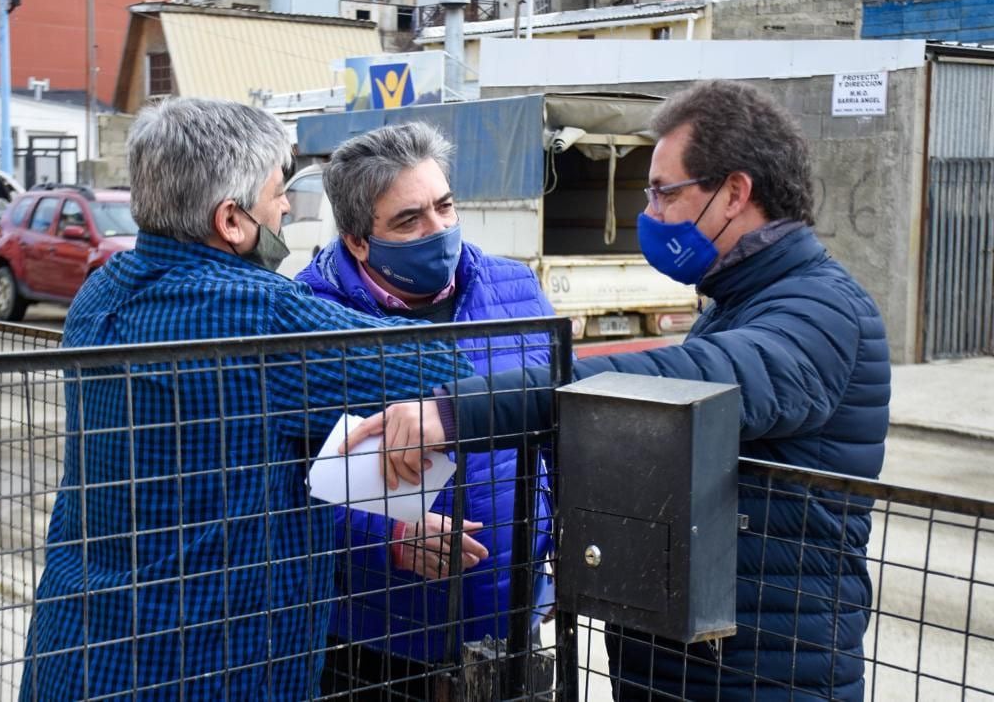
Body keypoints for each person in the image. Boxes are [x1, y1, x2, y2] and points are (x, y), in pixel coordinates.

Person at [343, 80, 891, 701]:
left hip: (762, 674)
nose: (650, 213)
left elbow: (685, 383)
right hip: (688, 662)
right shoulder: (738, 301)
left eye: (664, 193)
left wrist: (456, 410)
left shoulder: (819, 310)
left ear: (734, 194)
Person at [18, 99, 471, 701]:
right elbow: (452, 370)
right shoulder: (259, 313)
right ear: (231, 219)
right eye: (277, 191)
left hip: (75, 643)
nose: (286, 206)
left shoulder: (101, 290)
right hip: (205, 665)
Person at [295, 121, 556, 699]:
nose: (438, 230)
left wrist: (559, 535)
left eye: (445, 206)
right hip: (377, 641)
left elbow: (560, 418)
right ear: (360, 239)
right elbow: (280, 485)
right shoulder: (310, 317)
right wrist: (384, 538)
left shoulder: (515, 288)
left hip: (511, 620)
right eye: (409, 220)